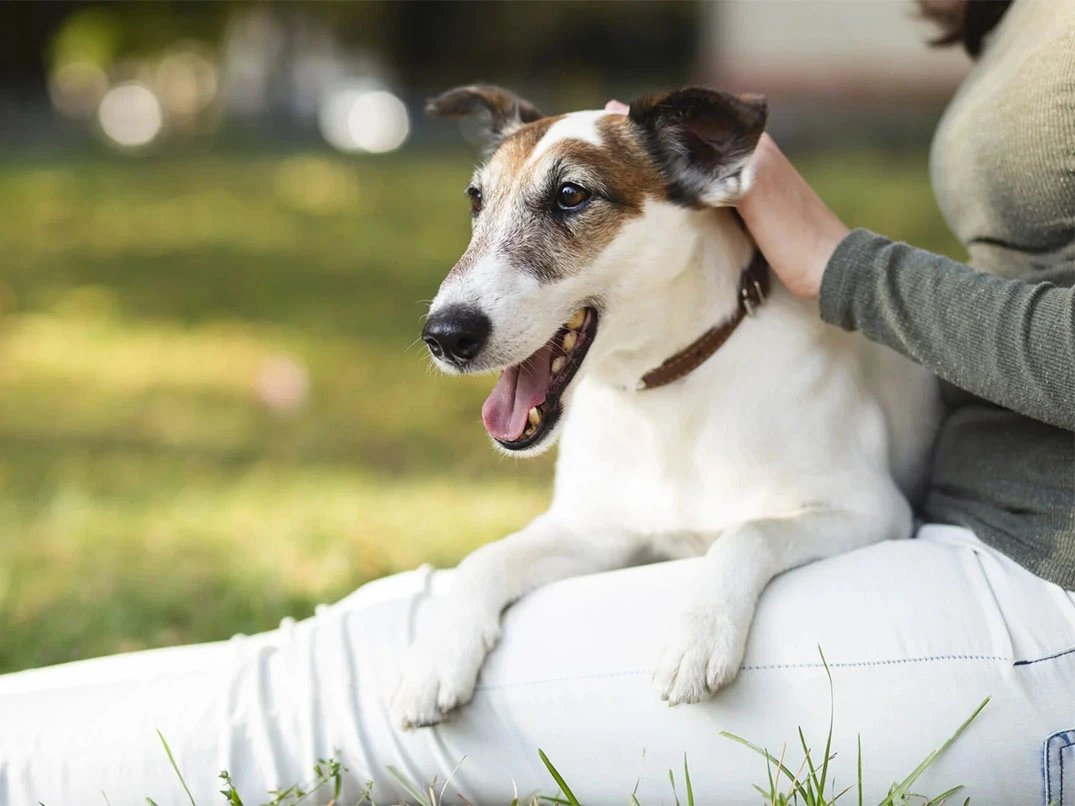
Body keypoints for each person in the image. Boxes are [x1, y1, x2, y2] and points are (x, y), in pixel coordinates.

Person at [1, 0, 1072, 803]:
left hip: (1028, 595)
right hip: (979, 536)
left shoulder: (791, 355)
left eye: (569, 206)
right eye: (489, 206)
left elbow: (859, 505)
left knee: (339, 693)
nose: (476, 278)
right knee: (382, 623)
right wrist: (485, 582)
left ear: (702, 173)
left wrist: (829, 268)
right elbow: (583, 532)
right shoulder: (606, 372)